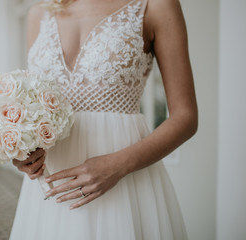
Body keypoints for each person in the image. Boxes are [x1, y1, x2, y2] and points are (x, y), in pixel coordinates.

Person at [10, 0, 197, 239]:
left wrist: (118, 166)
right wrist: (23, 150)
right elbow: (36, 105)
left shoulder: (156, 5)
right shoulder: (40, 13)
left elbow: (186, 116)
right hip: (52, 186)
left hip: (126, 183)